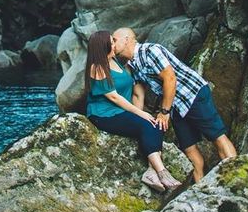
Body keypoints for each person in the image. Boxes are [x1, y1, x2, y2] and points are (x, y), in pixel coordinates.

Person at [112, 27, 237, 182]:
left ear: (126, 39)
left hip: (192, 94)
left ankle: (236, 179)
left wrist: (164, 112)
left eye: (114, 40)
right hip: (175, 105)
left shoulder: (151, 51)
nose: (112, 44)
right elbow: (138, 95)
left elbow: (170, 78)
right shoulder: (133, 65)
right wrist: (137, 120)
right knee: (189, 149)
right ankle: (202, 191)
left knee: (217, 137)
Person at [85, 30, 182, 191]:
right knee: (146, 123)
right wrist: (140, 112)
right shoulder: (97, 67)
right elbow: (114, 97)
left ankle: (151, 172)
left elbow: (135, 86)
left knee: (156, 123)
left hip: (120, 111)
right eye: (111, 42)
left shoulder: (116, 61)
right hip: (103, 114)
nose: (115, 44)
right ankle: (162, 172)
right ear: (103, 46)